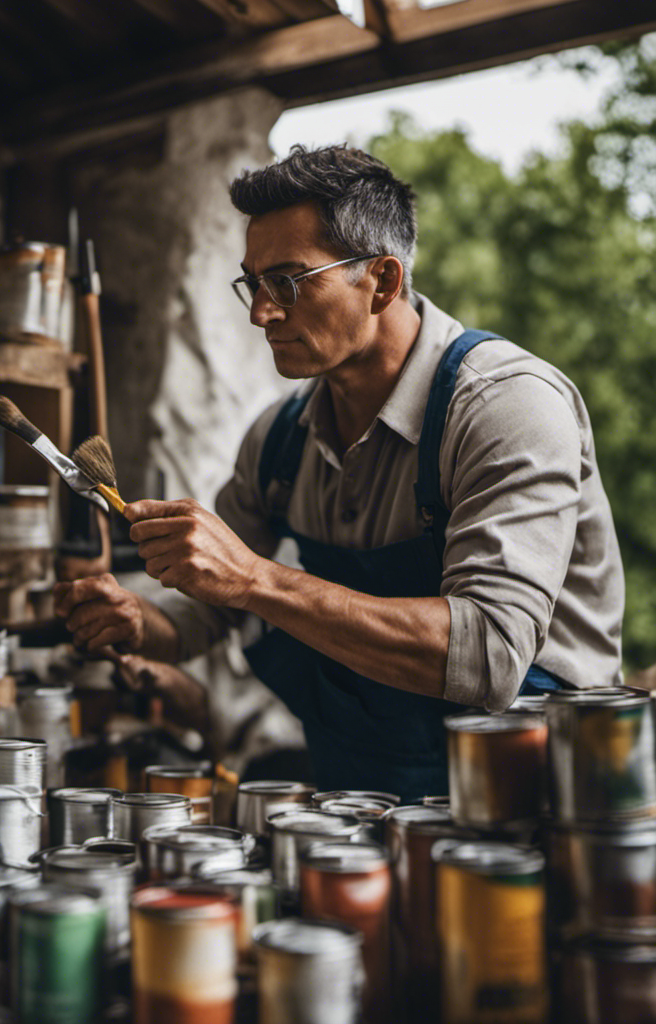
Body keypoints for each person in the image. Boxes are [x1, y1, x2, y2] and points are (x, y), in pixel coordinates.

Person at [54, 144, 624, 801]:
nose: (260, 313)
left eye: (288, 283)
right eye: (254, 283)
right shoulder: (278, 442)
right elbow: (204, 615)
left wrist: (256, 579)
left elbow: (490, 655)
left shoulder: (505, 406)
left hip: (536, 815)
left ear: (381, 281)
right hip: (356, 807)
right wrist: (135, 620)